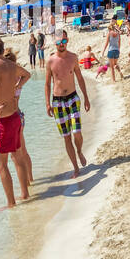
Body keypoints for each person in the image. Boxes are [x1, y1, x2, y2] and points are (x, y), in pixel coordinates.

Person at [0, 37, 33, 208]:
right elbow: (27, 75)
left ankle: (11, 203)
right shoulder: (10, 64)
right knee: (17, 156)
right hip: (15, 116)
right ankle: (25, 194)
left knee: (1, 164)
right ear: (2, 49)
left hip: (4, 118)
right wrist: (15, 88)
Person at [45, 32, 92, 179]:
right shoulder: (50, 61)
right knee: (66, 137)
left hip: (72, 98)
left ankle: (79, 151)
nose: (61, 43)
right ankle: (76, 168)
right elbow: (47, 84)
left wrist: (86, 97)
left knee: (76, 132)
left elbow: (79, 78)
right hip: (57, 102)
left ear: (67, 41)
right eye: (59, 41)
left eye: (64, 40)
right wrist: (47, 103)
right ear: (55, 42)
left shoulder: (73, 58)